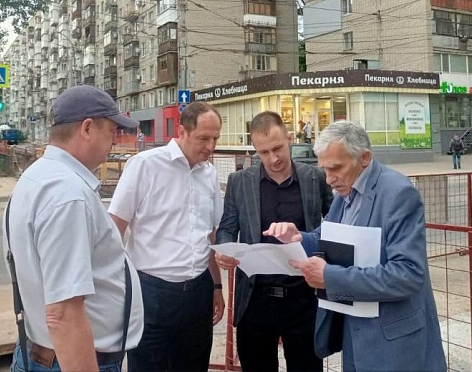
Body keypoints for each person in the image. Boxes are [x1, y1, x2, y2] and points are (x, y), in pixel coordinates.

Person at [264, 121, 446, 372]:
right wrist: (300, 238)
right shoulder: (345, 192)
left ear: (364, 158)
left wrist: (329, 276)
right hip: (354, 333)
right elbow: (330, 238)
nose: (329, 179)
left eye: (336, 168)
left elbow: (408, 275)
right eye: (325, 169)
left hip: (393, 342)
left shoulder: (399, 193)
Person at [2, 85, 144, 372]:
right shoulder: (68, 194)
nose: (114, 141)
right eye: (111, 131)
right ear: (88, 128)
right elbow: (63, 313)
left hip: (44, 354)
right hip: (71, 360)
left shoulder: (37, 177)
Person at [109, 102, 226, 372]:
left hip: (198, 293)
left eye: (215, 139)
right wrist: (115, 288)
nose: (211, 147)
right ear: (182, 132)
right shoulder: (144, 166)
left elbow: (209, 235)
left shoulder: (208, 173)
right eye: (204, 139)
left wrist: (217, 286)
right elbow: (115, 227)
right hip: (152, 294)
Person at [215, 111, 333, 372]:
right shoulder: (239, 182)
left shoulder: (315, 178)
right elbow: (227, 227)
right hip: (256, 299)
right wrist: (223, 251)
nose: (273, 158)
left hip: (304, 298)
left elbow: (336, 226)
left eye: (278, 148)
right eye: (264, 152)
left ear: (290, 139)